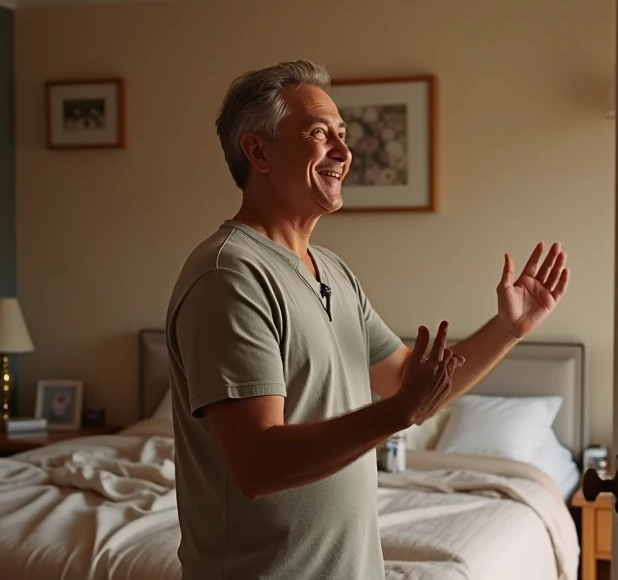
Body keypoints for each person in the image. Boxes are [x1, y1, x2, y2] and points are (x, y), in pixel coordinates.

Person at [164, 59, 570, 580]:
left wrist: (508, 329)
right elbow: (258, 464)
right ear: (258, 151)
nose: (343, 152)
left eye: (343, 135)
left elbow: (412, 383)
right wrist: (399, 412)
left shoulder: (331, 270)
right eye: (318, 134)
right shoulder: (229, 276)